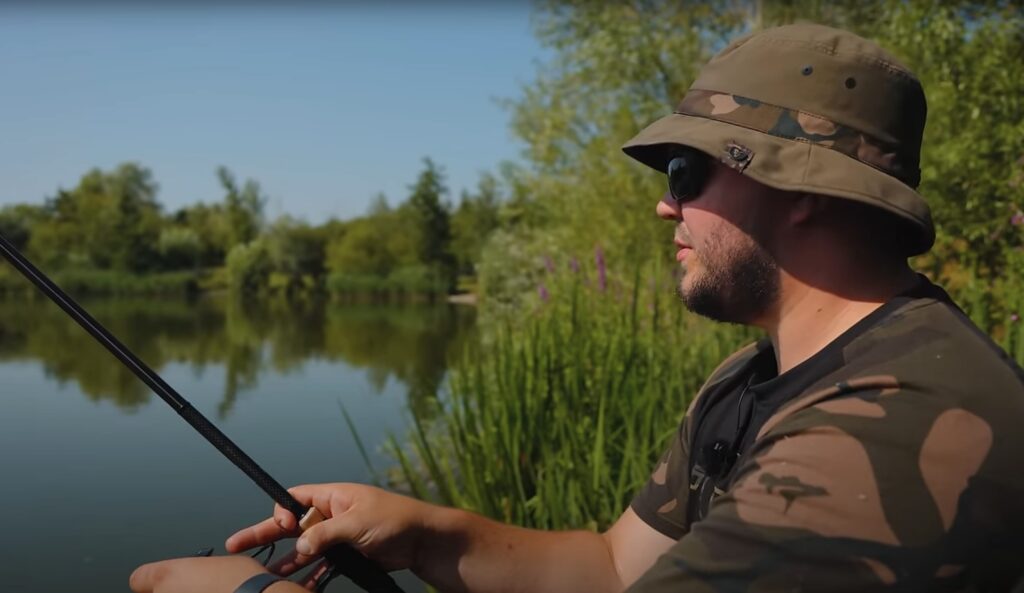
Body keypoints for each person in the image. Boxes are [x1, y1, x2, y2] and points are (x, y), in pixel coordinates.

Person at [130, 23, 1024, 593]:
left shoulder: (904, 426)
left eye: (688, 171)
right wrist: (425, 530)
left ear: (802, 191)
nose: (664, 204)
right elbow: (612, 568)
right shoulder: (756, 377)